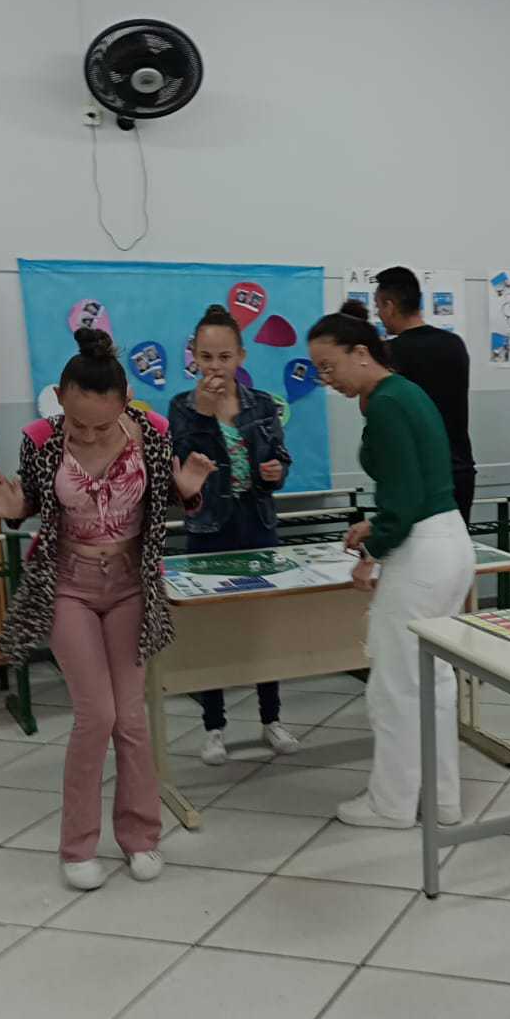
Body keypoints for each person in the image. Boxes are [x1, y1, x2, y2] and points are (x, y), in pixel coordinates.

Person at [0, 328, 215, 891]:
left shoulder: (153, 432)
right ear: (60, 399)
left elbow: (170, 495)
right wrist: (13, 508)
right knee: (96, 716)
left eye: (101, 426)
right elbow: (30, 501)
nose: (87, 435)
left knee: (132, 718)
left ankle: (140, 837)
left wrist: (188, 489)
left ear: (124, 403)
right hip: (69, 585)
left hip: (132, 584)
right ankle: (78, 846)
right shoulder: (40, 439)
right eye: (77, 424)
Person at [309, 301, 475, 829]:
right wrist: (377, 525)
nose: (327, 379)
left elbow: (402, 500)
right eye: (319, 371)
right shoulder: (407, 392)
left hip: (421, 551)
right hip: (448, 539)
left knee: (395, 685)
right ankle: (442, 799)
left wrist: (371, 554)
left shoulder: (385, 404)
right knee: (434, 679)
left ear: (361, 352)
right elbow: (416, 487)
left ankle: (393, 803)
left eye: (330, 366)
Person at [168, 304, 300, 764]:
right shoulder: (182, 407)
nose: (215, 367)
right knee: (212, 630)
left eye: (224, 357)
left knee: (263, 626)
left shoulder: (261, 404)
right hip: (209, 528)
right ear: (194, 356)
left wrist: (276, 471)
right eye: (206, 357)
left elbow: (281, 456)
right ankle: (214, 726)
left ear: (241, 356)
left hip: (257, 524)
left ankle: (271, 718)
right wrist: (204, 416)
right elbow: (180, 469)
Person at [373, 267, 477, 523]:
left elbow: (374, 408)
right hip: (459, 470)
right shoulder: (454, 344)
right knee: (456, 544)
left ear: (390, 306)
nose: (379, 315)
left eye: (378, 307)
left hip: (418, 475)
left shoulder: (390, 353)